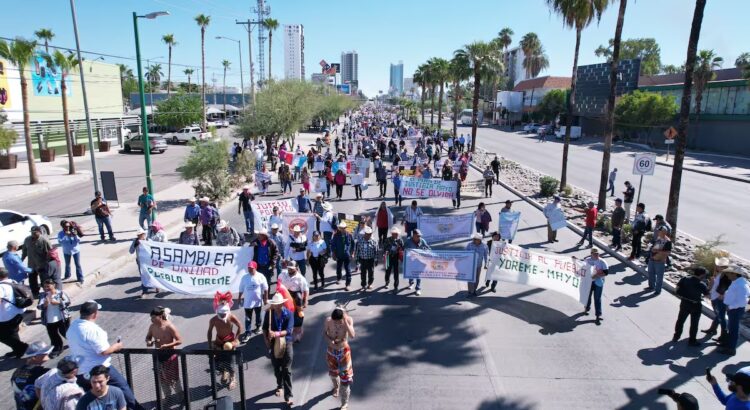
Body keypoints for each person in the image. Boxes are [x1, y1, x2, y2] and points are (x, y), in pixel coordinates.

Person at [66, 300, 137, 408]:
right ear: (95, 314)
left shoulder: (73, 326)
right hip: (99, 370)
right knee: (123, 389)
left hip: (81, 372)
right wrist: (116, 346)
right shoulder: (93, 330)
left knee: (94, 397)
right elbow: (104, 351)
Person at [262, 293, 295, 406]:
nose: (276, 306)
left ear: (282, 303)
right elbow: (264, 328)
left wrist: (276, 333)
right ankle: (279, 385)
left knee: (287, 369)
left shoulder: (289, 314)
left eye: (278, 304)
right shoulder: (269, 314)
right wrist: (266, 340)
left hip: (287, 342)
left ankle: (288, 396)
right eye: (274, 304)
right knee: (277, 368)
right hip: (273, 344)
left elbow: (289, 330)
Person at [145, 306, 183, 401]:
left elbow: (180, 340)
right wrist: (149, 342)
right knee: (162, 379)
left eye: (154, 317)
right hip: (158, 356)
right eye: (151, 317)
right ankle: (168, 397)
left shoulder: (169, 326)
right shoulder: (152, 327)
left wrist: (167, 345)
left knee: (174, 378)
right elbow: (148, 337)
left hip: (170, 356)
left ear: (160, 316)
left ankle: (181, 396)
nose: (152, 319)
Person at [207, 293, 242, 388]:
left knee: (230, 362)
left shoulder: (231, 317)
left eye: (224, 314)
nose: (222, 316)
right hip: (218, 342)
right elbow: (209, 331)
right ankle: (224, 372)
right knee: (218, 361)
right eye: (220, 314)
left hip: (229, 342)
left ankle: (233, 378)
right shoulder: (213, 320)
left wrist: (236, 339)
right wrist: (210, 344)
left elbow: (240, 326)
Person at [324, 307, 356, 410]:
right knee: (333, 374)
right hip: (331, 352)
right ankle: (336, 387)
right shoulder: (328, 321)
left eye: (339, 322)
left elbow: (352, 335)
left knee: (345, 378)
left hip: (344, 352)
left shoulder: (349, 320)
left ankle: (344, 403)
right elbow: (324, 333)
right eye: (335, 322)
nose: (337, 324)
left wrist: (345, 322)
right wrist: (330, 340)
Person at [718, 265, 750, 356]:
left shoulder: (741, 286)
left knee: (733, 329)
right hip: (733, 309)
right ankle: (728, 345)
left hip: (735, 310)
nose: (727, 275)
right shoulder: (737, 282)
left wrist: (730, 307)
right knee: (731, 328)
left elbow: (742, 302)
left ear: (734, 274)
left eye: (728, 273)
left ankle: (731, 349)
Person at [672, 267, 709, 346]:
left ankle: (676, 336)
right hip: (696, 305)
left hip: (684, 303)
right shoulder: (702, 284)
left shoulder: (685, 279)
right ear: (702, 275)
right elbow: (707, 296)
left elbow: (676, 289)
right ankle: (692, 340)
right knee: (694, 324)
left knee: (680, 320)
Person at [12, 341, 52, 409]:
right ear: (34, 357)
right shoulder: (42, 373)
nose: (47, 353)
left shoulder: (16, 372)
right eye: (44, 353)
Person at [0, 267, 30, 358]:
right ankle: (17, 350)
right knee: (12, 333)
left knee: (3, 335)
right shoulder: (13, 281)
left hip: (7, 316)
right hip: (18, 312)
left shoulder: (1, 287)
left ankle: (22, 347)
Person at [38, 279, 71, 357]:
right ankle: (58, 348)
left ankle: (76, 343)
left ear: (53, 285)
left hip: (61, 318)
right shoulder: (43, 296)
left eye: (48, 286)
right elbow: (39, 306)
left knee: (65, 333)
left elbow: (68, 302)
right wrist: (45, 305)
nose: (46, 288)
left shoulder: (60, 293)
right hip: (50, 320)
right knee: (53, 335)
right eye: (45, 286)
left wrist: (59, 303)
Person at [278, 261, 309, 343]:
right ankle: (283, 328)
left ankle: (298, 331)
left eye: (292, 269)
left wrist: (305, 301)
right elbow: (279, 284)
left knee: (297, 314)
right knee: (282, 312)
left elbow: (305, 290)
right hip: (285, 295)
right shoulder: (282, 274)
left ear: (296, 269)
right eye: (289, 269)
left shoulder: (300, 278)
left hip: (296, 297)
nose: (290, 270)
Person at [238, 261, 269, 343]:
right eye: (249, 268)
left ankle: (258, 327)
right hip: (248, 302)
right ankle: (247, 333)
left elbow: (266, 288)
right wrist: (239, 297)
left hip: (258, 301)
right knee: (248, 318)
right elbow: (241, 288)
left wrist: (265, 298)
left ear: (255, 268)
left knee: (258, 315)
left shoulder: (260, 276)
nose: (249, 269)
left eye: (251, 268)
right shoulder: (244, 277)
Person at [704, 257, 731, 341]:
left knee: (721, 317)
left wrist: (721, 295)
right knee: (719, 315)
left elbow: (725, 287)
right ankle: (713, 329)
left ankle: (724, 335)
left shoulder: (725, 276)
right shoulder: (720, 274)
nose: (716, 267)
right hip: (715, 297)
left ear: (723, 267)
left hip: (719, 299)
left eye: (718, 265)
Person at [23, 225, 52, 296]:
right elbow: (24, 251)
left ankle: (47, 294)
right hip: (31, 265)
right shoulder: (27, 240)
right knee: (32, 281)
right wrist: (21, 260)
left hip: (42, 265)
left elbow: (51, 252)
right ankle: (35, 293)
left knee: (44, 281)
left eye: (35, 232)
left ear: (39, 232)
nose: (33, 234)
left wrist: (50, 263)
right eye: (32, 232)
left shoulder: (44, 240)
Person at [581, 248, 608, 323]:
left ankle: (598, 315)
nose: (597, 255)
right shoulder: (587, 260)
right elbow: (581, 267)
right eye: (595, 254)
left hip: (598, 282)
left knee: (597, 298)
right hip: (589, 282)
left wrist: (597, 276)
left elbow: (606, 273)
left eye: (597, 254)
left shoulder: (602, 262)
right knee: (587, 296)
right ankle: (586, 308)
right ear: (591, 254)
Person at [129, 228, 155, 297]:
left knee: (152, 274)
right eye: (139, 235)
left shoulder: (148, 241)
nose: (140, 236)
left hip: (149, 261)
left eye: (141, 234)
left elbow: (155, 249)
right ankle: (144, 291)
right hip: (140, 262)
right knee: (143, 276)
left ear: (144, 234)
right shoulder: (135, 241)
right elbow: (131, 251)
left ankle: (156, 286)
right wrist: (135, 245)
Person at [646, 226, 672, 295]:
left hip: (660, 261)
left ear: (664, 232)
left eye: (660, 231)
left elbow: (668, 252)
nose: (658, 232)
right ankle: (651, 287)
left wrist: (657, 250)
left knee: (659, 277)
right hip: (652, 259)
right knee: (651, 274)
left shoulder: (668, 241)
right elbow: (655, 246)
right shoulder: (658, 238)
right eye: (658, 231)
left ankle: (658, 290)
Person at [405, 229, 430, 296]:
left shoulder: (422, 241)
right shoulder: (408, 241)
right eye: (417, 236)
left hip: (420, 261)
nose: (419, 237)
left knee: (418, 274)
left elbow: (428, 248)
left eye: (420, 236)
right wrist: (409, 252)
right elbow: (404, 249)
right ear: (413, 236)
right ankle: (411, 283)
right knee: (411, 272)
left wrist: (426, 250)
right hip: (411, 261)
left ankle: (418, 288)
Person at [331, 222, 355, 290]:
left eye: (343, 228)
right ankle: (339, 278)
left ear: (345, 228)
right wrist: (333, 253)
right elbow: (333, 245)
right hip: (339, 255)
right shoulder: (336, 235)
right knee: (338, 268)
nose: (342, 229)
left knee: (348, 269)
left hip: (347, 255)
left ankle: (348, 284)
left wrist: (352, 253)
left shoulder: (349, 235)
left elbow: (353, 244)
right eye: (341, 228)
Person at [465, 233, 489, 297]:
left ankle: (474, 290)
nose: (475, 240)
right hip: (470, 265)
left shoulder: (484, 246)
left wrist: (486, 264)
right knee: (470, 279)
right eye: (474, 239)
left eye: (476, 239)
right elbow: (465, 254)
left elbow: (486, 255)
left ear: (480, 240)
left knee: (476, 278)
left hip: (478, 265)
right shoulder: (469, 245)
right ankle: (470, 291)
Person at [354, 227, 378, 291]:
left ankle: (370, 284)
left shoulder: (373, 242)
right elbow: (357, 251)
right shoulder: (360, 241)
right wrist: (357, 260)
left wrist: (376, 259)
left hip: (370, 260)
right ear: (365, 234)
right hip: (363, 259)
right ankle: (363, 285)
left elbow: (376, 251)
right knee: (363, 273)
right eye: (367, 234)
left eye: (370, 234)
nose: (368, 235)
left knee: (371, 273)